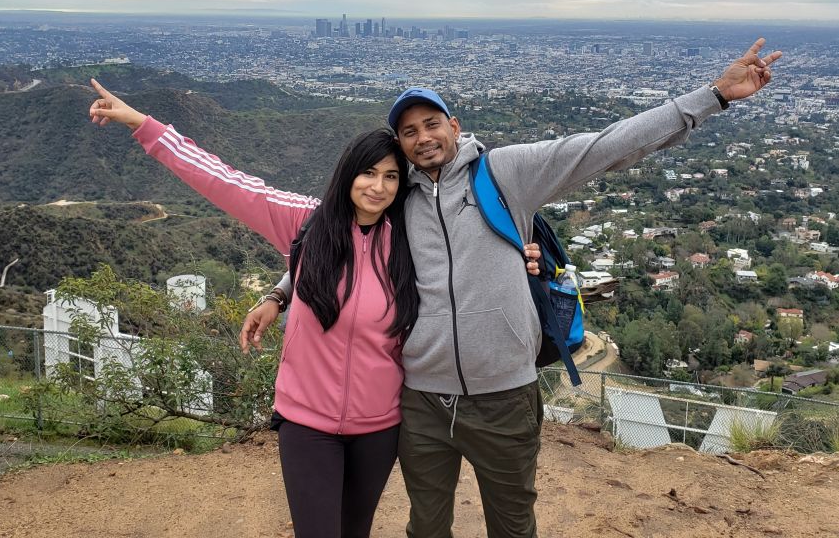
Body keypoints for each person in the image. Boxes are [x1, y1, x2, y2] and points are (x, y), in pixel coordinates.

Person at [248, 37, 783, 538]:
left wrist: (712, 97)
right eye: (408, 132)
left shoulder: (505, 173)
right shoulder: (396, 197)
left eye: (431, 124)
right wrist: (280, 293)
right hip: (421, 398)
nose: (422, 138)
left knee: (511, 523)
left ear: (454, 126)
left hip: (504, 391)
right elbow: (340, 250)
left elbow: (604, 147)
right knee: (426, 527)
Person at [86, 79, 417, 538]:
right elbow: (226, 182)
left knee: (355, 531)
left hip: (379, 426)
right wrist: (143, 125)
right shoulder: (306, 223)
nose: (378, 187)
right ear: (348, 174)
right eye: (368, 173)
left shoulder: (411, 242)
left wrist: (531, 261)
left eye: (391, 176)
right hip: (307, 423)